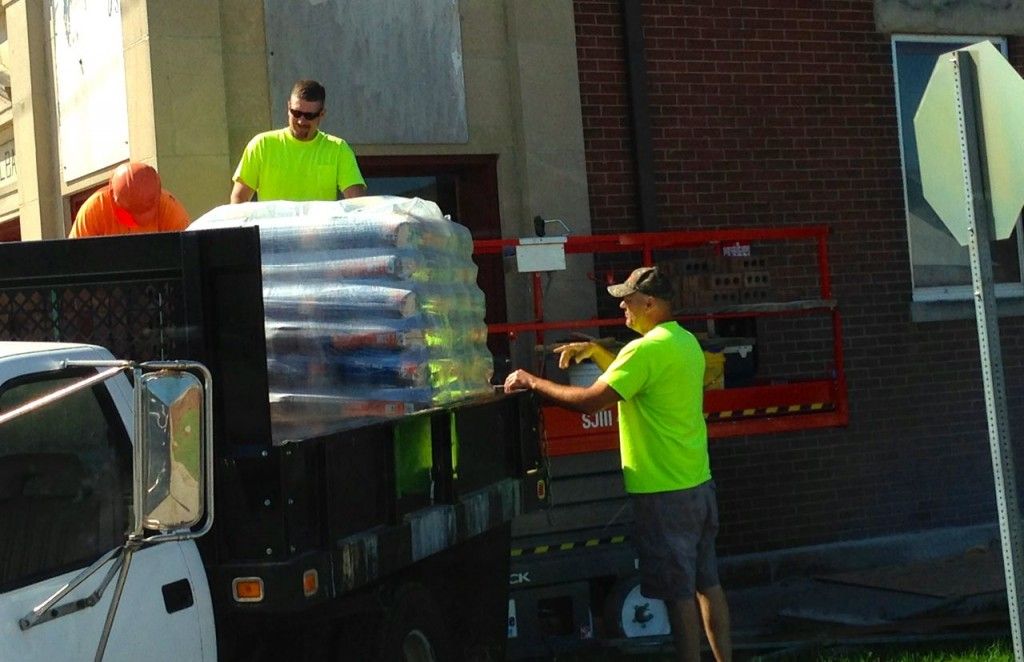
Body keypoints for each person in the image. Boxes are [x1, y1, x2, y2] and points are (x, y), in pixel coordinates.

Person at [503, 266, 732, 662]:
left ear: (650, 303)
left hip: (663, 493)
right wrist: (596, 350)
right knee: (706, 584)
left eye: (628, 299)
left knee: (678, 597)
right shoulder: (685, 343)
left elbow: (592, 400)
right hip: (697, 484)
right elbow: (641, 382)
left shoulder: (643, 351)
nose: (622, 306)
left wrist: (532, 382)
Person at [230, 79, 366, 203]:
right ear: (288, 107)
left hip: (318, 230)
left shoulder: (338, 149)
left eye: (309, 116)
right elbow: (239, 199)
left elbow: (357, 202)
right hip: (273, 230)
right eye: (296, 113)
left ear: (322, 114)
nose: (301, 121)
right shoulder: (262, 145)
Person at [68, 161, 190, 238]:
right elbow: (76, 258)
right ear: (113, 196)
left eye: (145, 211)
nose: (138, 223)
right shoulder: (95, 209)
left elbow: (187, 255)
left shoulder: (170, 210)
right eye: (133, 213)